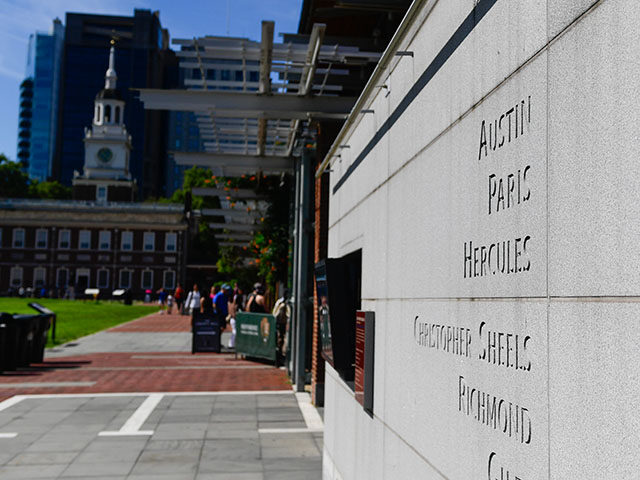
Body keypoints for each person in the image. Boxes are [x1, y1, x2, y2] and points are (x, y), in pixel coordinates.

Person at [272, 288, 292, 365]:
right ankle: (278, 357)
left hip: (284, 324)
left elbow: (288, 314)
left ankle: (282, 356)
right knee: (279, 340)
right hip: (278, 323)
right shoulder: (280, 302)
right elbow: (275, 313)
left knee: (283, 340)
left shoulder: (288, 302)